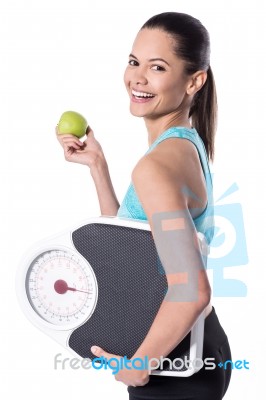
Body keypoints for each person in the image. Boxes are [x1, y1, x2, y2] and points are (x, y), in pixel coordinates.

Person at [56, 11, 231, 400]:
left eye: (157, 67)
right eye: (134, 61)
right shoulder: (186, 145)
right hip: (194, 347)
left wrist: (140, 365)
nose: (137, 77)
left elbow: (191, 289)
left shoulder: (157, 165)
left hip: (175, 364)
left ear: (194, 81)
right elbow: (133, 247)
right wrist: (98, 168)